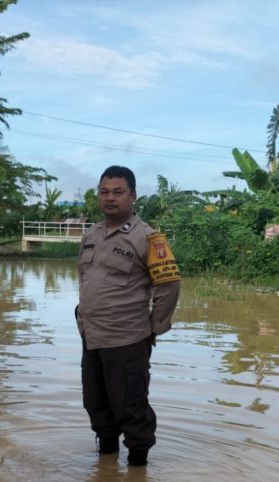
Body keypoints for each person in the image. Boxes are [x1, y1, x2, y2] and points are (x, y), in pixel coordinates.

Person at [76, 165, 180, 466]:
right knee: (96, 404)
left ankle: (137, 466)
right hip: (92, 337)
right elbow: (85, 279)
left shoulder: (148, 238)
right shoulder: (91, 235)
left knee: (130, 407)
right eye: (104, 192)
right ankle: (106, 462)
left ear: (133, 196)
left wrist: (155, 328)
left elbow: (169, 284)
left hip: (128, 339)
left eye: (118, 193)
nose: (110, 198)